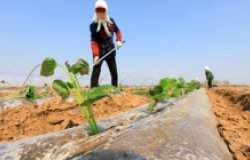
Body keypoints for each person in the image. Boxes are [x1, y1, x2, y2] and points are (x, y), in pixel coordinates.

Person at [90, 0, 123, 88]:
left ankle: (115, 89)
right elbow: (94, 42)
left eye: (102, 10)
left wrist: (118, 40)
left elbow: (117, 30)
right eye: (98, 10)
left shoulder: (111, 22)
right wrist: (96, 55)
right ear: (95, 12)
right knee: (96, 71)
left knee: (114, 72)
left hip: (110, 51)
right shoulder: (93, 26)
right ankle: (93, 90)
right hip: (99, 52)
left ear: (106, 11)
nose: (100, 13)